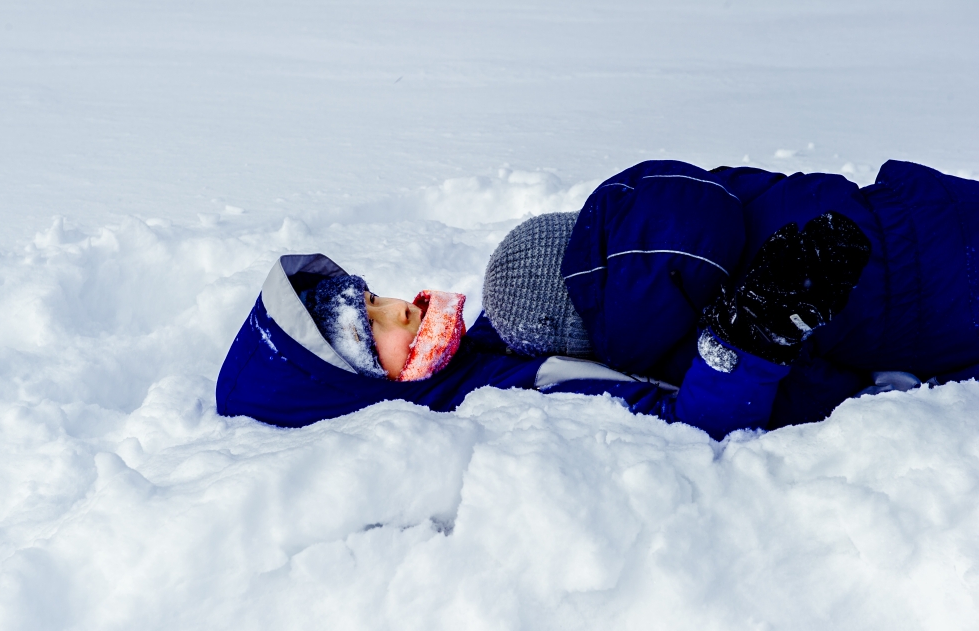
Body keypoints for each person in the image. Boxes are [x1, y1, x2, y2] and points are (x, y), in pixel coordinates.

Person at [216, 159, 979, 438]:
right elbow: (669, 426)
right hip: (900, 277)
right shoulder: (507, 399)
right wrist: (747, 338)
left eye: (375, 296)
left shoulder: (489, 336)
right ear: (358, 390)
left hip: (896, 232)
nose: (400, 307)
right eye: (374, 327)